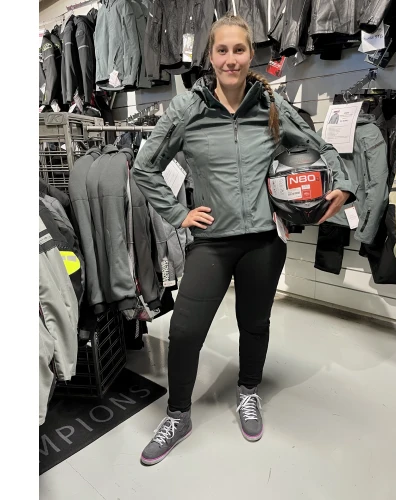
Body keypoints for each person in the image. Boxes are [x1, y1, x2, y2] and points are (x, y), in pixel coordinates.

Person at [132, 13, 355, 466]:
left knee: (255, 323)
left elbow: (321, 147)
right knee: (185, 330)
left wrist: (343, 184)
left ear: (251, 54)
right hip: (212, 241)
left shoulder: (270, 103)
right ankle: (178, 414)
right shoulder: (187, 109)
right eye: (222, 50)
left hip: (264, 242)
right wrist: (178, 214)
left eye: (239, 50)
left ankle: (248, 391)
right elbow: (144, 167)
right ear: (210, 56)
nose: (230, 59)